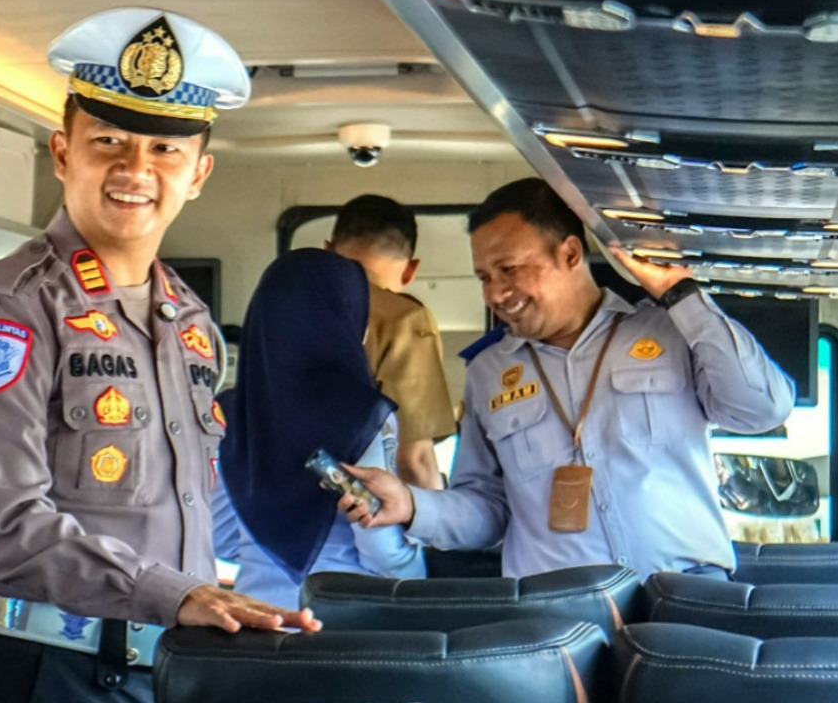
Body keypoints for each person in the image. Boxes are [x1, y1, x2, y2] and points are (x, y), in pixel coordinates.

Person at [0, 7, 320, 703]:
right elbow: (6, 534)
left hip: (165, 675)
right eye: (108, 141)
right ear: (62, 153)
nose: (136, 170)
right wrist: (177, 595)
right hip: (51, 678)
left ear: (197, 174)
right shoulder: (11, 308)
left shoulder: (189, 318)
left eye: (165, 149)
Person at [345, 178, 794, 580]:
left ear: (570, 254)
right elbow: (487, 509)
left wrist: (681, 296)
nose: (494, 293)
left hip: (685, 592)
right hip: (558, 611)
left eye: (509, 269)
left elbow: (763, 410)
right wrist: (411, 505)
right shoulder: (488, 372)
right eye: (484, 277)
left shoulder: (671, 331)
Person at [217, 249, 425, 610]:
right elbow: (381, 548)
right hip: (347, 622)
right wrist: (420, 570)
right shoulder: (364, 415)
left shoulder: (230, 412)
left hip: (255, 617)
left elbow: (217, 533)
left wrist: (267, 556)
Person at [326, 194, 456, 488]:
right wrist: (436, 515)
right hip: (356, 505)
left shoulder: (286, 310)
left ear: (327, 250)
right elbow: (414, 458)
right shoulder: (403, 319)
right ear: (410, 270)